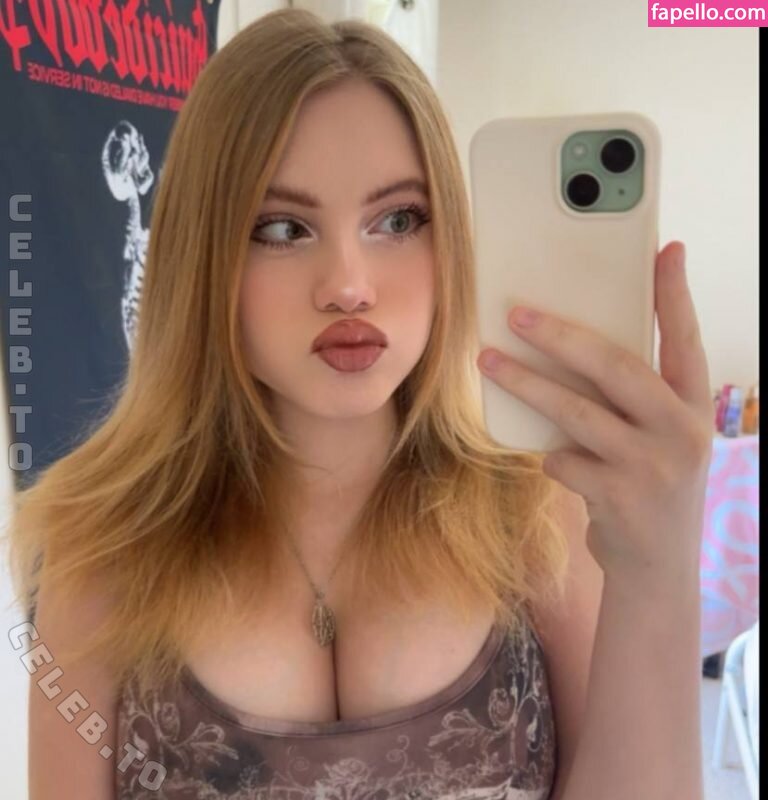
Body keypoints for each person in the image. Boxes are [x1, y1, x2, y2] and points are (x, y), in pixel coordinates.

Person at [6, 8, 713, 800]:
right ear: (202, 253)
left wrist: (660, 570)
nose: (348, 285)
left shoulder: (536, 512)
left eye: (397, 220)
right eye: (282, 228)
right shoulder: (104, 543)